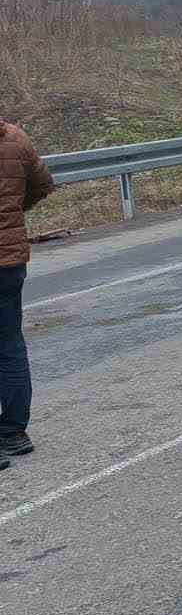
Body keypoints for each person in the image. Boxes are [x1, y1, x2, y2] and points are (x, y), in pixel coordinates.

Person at [0, 117, 55, 467]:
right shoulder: (16, 138)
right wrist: (13, 212)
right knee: (10, 345)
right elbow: (42, 184)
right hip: (9, 261)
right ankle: (13, 433)